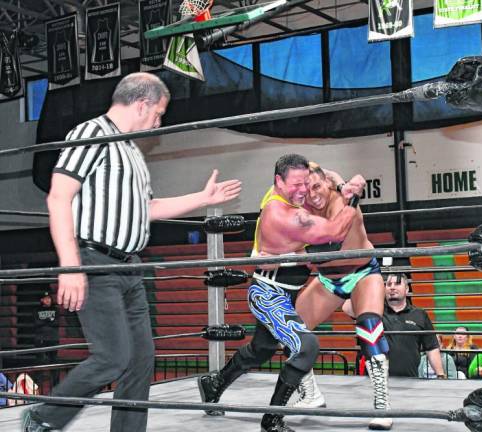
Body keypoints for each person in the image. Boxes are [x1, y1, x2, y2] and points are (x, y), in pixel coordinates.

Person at [22, 72, 242, 432]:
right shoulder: (91, 134)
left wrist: (202, 199)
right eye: (158, 113)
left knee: (141, 360)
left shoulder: (133, 153)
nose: (159, 122)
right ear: (142, 104)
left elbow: (148, 208)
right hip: (95, 262)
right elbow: (58, 196)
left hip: (131, 268)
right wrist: (71, 266)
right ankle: (44, 416)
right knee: (112, 357)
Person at [197, 154, 362, 432]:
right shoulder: (283, 213)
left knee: (261, 350)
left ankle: (214, 383)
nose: (303, 191)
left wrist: (340, 182)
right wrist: (354, 197)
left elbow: (323, 173)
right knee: (307, 347)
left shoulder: (277, 194)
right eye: (296, 184)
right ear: (278, 181)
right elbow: (335, 232)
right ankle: (272, 419)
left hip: (287, 293)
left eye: (305, 184)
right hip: (268, 293)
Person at [291, 163, 392, 430]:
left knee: (370, 329)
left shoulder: (343, 201)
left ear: (327, 183)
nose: (313, 194)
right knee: (290, 329)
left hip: (362, 274)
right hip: (328, 281)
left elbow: (331, 239)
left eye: (317, 186)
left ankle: (382, 406)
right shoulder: (299, 209)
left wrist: (347, 186)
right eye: (306, 189)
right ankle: (311, 394)